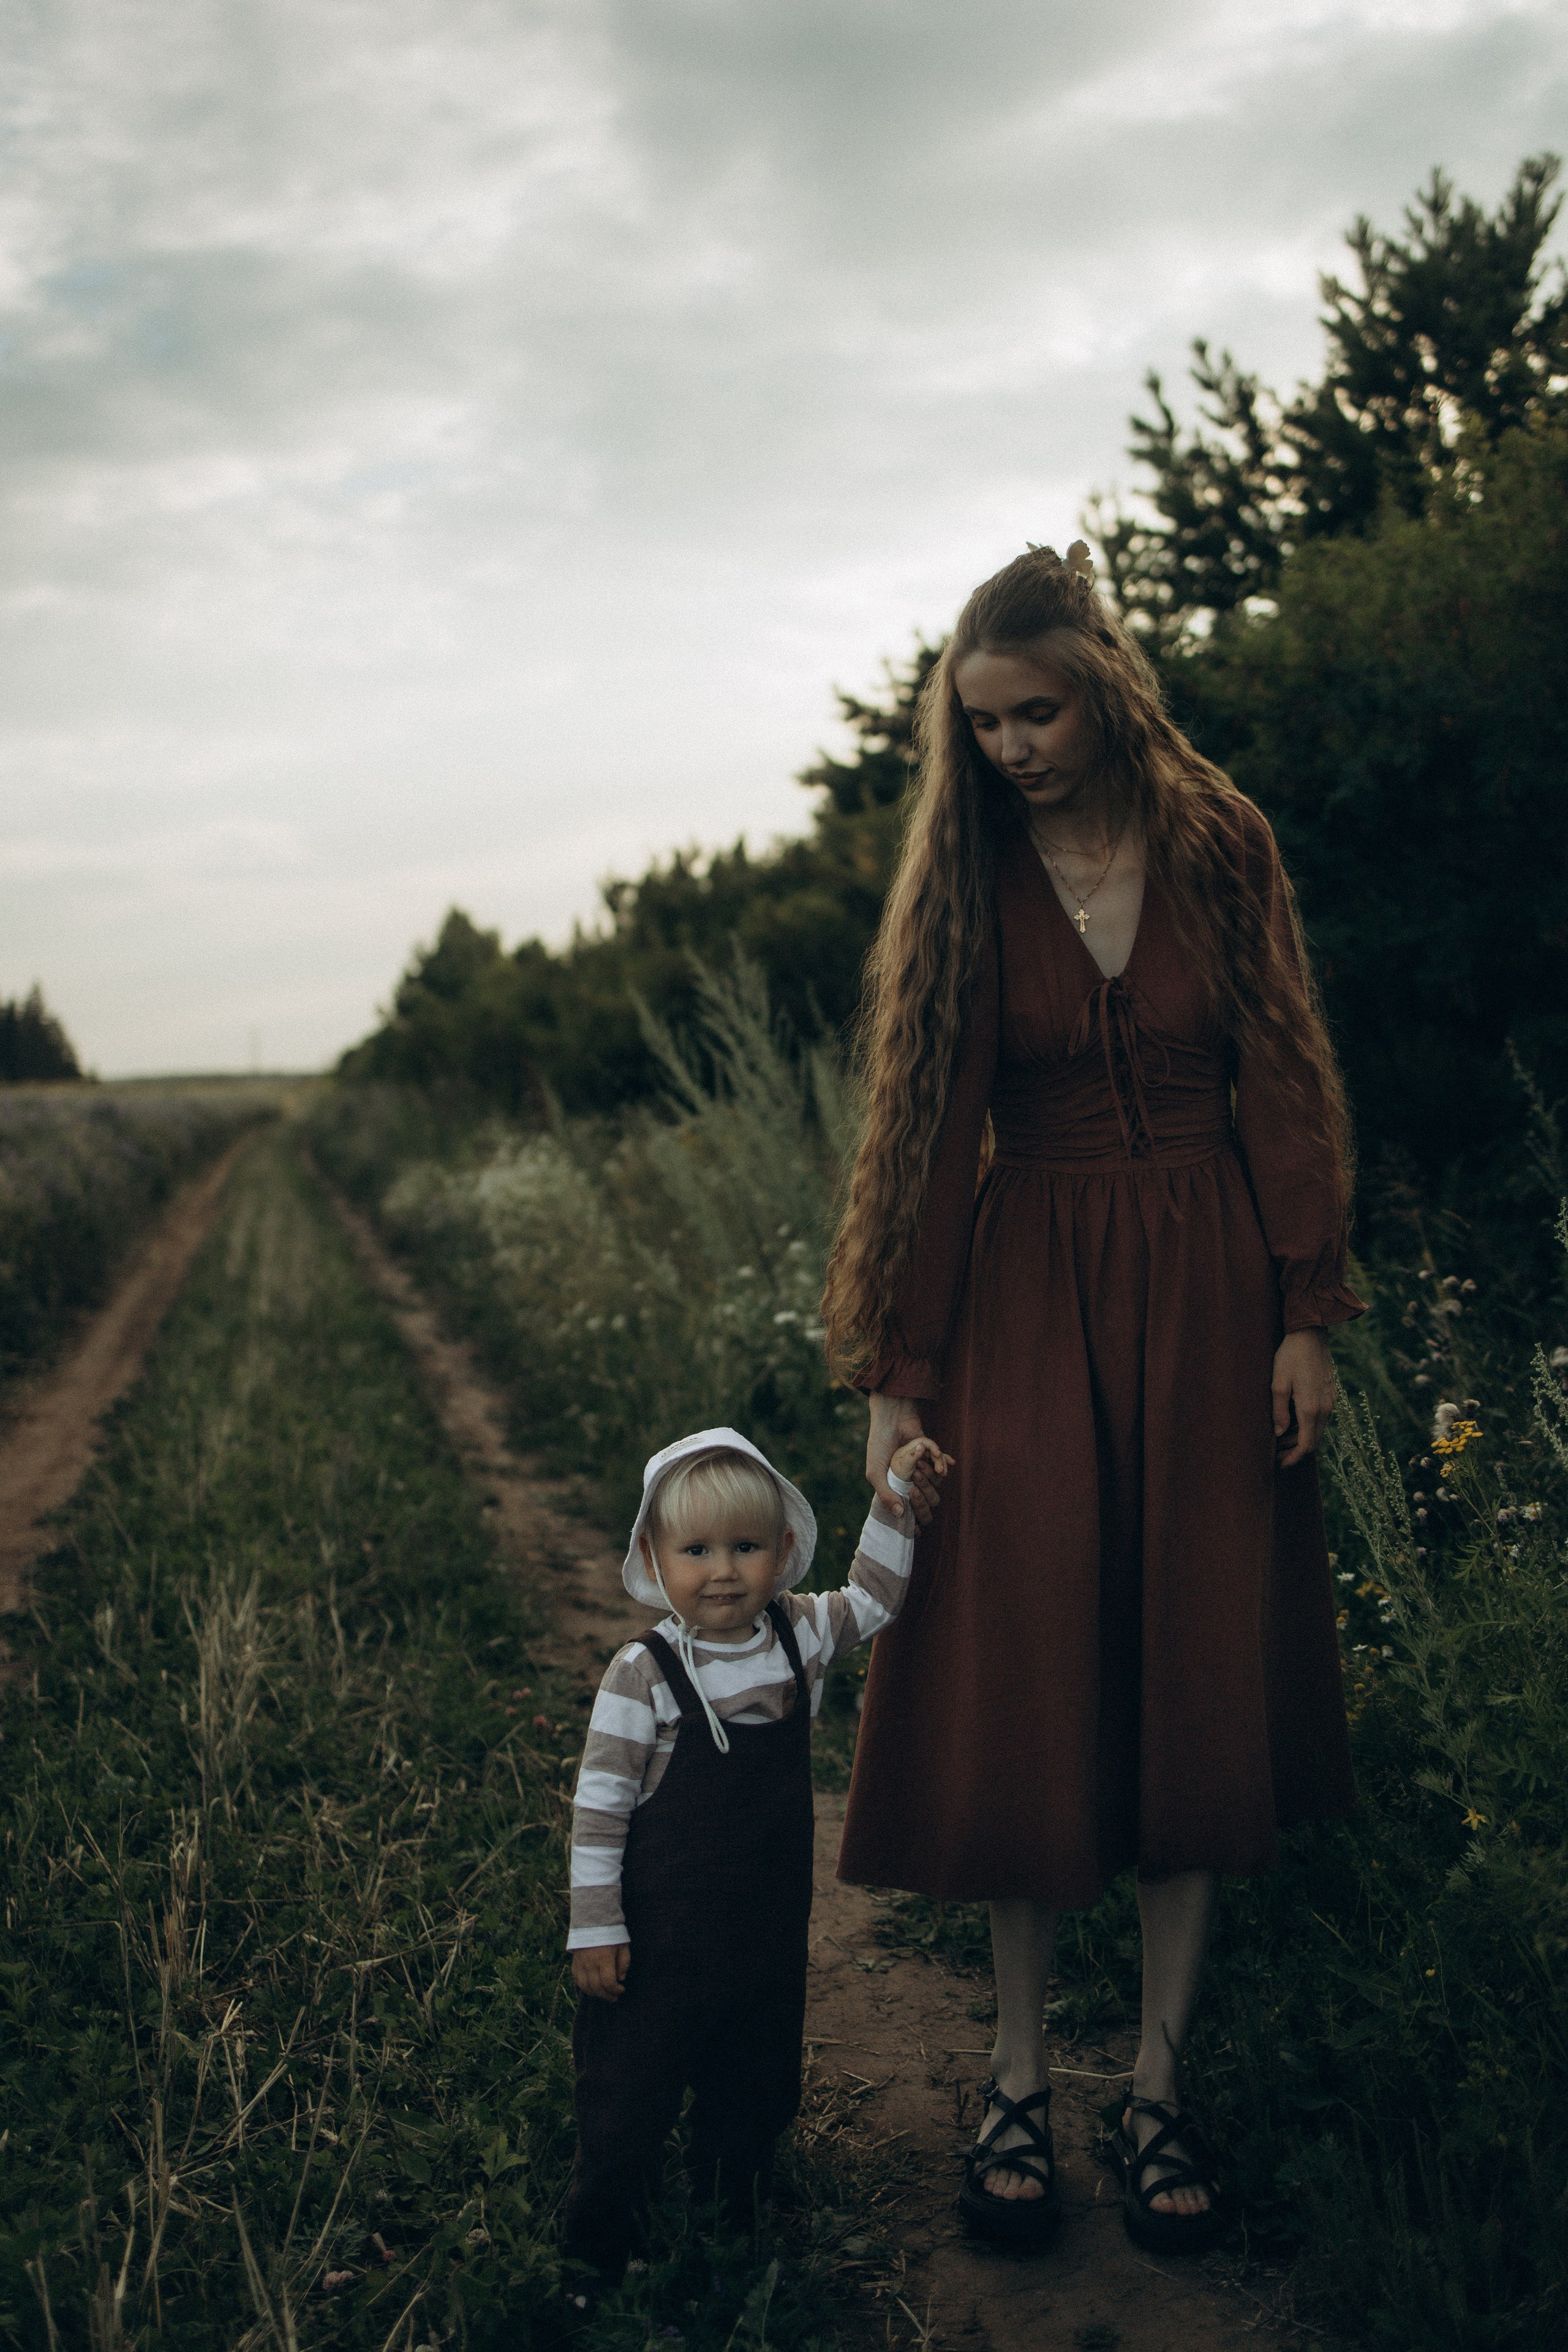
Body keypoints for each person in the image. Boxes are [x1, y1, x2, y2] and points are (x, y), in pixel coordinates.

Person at [820, 541, 1363, 2255]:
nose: (1009, 750)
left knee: (1197, 1665)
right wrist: (898, 1378)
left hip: (1212, 1292)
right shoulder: (970, 873)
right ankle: (1012, 2082)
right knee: (1027, 1669)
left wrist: (1305, 1309)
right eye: (980, 726)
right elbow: (921, 1131)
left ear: (1106, 687)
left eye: (1034, 713)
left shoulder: (1222, 842)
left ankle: (1159, 2087)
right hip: (1026, 1292)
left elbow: (1282, 1074)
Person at [561, 1423, 949, 2287]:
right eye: (696, 1550)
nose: (724, 1570)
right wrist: (596, 1929)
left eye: (745, 1547)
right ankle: (599, 2243)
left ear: (782, 1552)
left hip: (764, 1938)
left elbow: (877, 1598)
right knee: (629, 2095)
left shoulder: (797, 1638)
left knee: (755, 2088)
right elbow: (599, 1813)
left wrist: (893, 1497)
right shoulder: (645, 1675)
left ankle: (731, 2216)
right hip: (656, 1951)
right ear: (656, 1561)